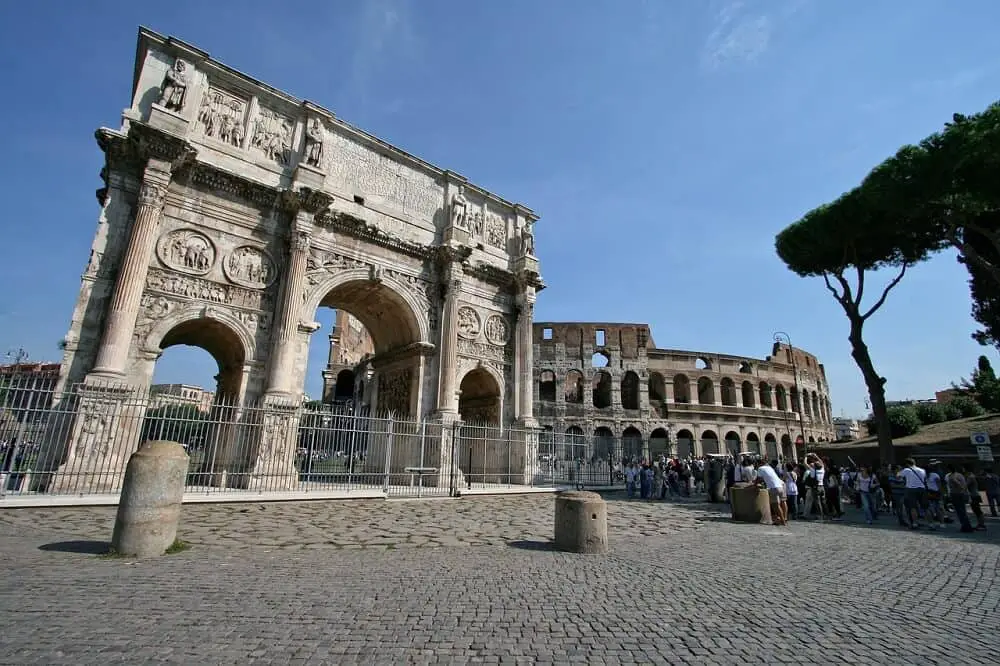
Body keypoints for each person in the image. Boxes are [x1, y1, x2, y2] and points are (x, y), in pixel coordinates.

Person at [899, 458, 929, 530]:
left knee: (913, 507)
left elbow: (898, 475)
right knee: (926, 508)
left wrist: (900, 470)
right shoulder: (922, 470)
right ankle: (931, 524)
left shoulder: (907, 470)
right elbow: (925, 479)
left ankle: (915, 523)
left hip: (911, 489)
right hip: (922, 489)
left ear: (907, 464)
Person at [755, 459, 787, 526]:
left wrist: (754, 485)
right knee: (781, 503)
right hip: (781, 486)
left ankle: (782, 521)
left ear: (759, 464)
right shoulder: (769, 468)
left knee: (775, 506)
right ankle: (781, 519)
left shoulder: (760, 468)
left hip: (773, 488)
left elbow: (758, 479)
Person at [945, 465, 975, 533]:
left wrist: (961, 487)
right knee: (963, 510)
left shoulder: (952, 476)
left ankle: (965, 527)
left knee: (959, 511)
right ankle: (967, 526)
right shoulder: (960, 475)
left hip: (956, 494)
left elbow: (956, 482)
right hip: (961, 494)